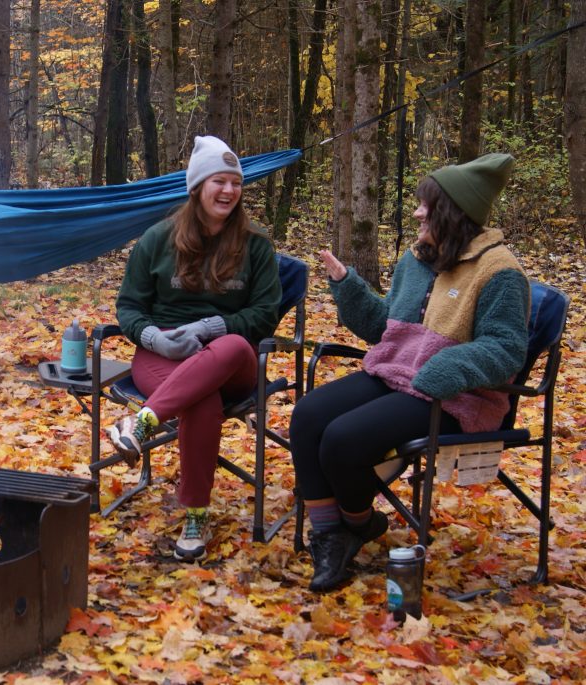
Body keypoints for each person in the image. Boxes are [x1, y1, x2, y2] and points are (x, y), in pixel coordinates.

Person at [290, 152, 529, 592]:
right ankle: (338, 532)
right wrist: (349, 287)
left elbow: (507, 348)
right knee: (307, 416)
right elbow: (386, 327)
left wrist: (449, 365)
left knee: (343, 440)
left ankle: (351, 526)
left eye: (427, 205)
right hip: (394, 373)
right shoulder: (418, 260)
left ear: (454, 213)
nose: (417, 212)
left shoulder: (501, 272)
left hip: (454, 395)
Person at [108, 135, 282, 562]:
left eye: (235, 183)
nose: (228, 191)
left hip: (228, 354)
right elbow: (129, 307)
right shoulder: (157, 239)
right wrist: (154, 338)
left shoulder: (256, 247)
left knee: (236, 346)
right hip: (162, 351)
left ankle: (143, 424)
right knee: (202, 404)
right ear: (197, 187)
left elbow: (265, 314)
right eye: (218, 181)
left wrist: (209, 328)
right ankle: (196, 515)